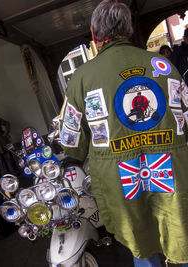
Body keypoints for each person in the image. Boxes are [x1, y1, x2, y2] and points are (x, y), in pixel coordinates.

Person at [59, 1, 188, 266]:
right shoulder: (164, 66)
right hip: (172, 177)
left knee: (139, 241)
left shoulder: (83, 77)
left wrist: (75, 154)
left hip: (124, 181)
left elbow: (72, 142)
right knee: (178, 233)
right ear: (128, 30)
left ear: (95, 35)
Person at [0, 110, 19, 177]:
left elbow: (7, 123)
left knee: (9, 158)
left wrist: (6, 132)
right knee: (1, 162)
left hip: (2, 142)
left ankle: (15, 171)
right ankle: (8, 175)